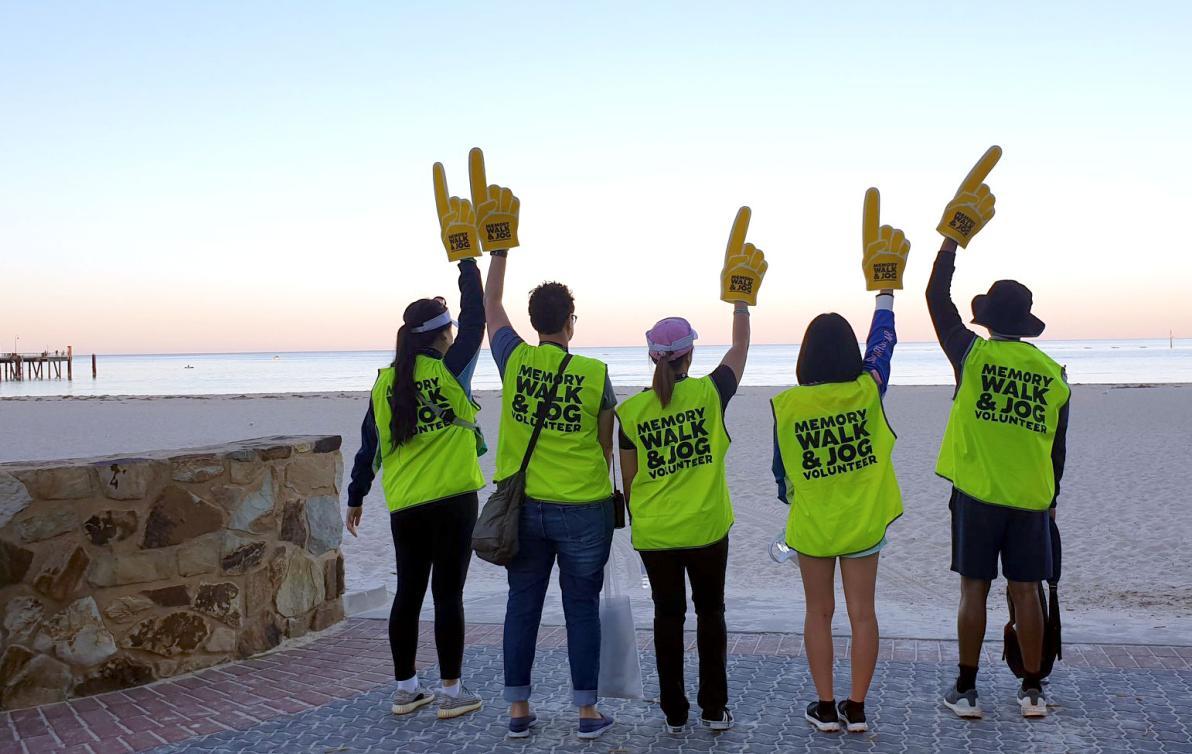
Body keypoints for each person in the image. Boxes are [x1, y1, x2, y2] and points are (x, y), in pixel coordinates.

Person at [929, 148, 1070, 720]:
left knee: (973, 590)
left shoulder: (974, 357)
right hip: (1032, 498)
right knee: (1026, 590)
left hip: (978, 493)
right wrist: (1051, 499)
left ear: (988, 320)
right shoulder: (1053, 374)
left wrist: (952, 241)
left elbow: (937, 301)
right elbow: (1058, 452)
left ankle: (966, 689)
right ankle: (1033, 689)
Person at [771, 189, 906, 734]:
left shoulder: (788, 404)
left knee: (818, 614)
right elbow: (883, 346)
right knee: (863, 614)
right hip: (863, 523)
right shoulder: (867, 390)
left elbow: (782, 475)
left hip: (813, 524)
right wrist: (884, 295)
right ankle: (857, 708)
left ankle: (825, 707)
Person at [344, 256, 486, 720]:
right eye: (450, 331)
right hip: (453, 500)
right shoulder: (450, 370)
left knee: (408, 593)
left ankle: (406, 689)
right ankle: (450, 691)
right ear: (443, 335)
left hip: (406, 505)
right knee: (447, 596)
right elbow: (477, 317)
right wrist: (468, 263)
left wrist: (357, 495)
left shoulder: (385, 383)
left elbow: (370, 444)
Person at [484, 249, 618, 740]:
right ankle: (586, 714)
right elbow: (605, 445)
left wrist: (497, 253)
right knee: (581, 607)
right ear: (570, 322)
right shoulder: (595, 374)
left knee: (523, 604)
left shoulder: (514, 360)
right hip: (583, 507)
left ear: (534, 321)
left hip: (524, 509)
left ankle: (518, 709)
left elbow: (491, 302)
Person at [616, 299, 750, 734]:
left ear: (653, 357)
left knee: (666, 617)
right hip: (708, 526)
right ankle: (714, 709)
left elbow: (630, 482)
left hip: (656, 533)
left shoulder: (632, 413)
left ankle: (674, 712)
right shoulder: (710, 393)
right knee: (711, 614)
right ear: (689, 355)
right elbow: (740, 349)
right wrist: (741, 303)